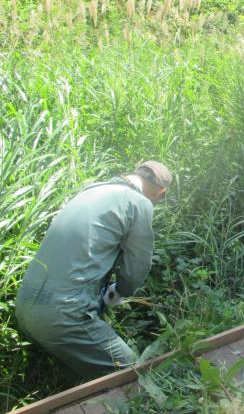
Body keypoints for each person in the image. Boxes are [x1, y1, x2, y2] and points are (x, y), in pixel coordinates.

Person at [15, 160, 172, 377]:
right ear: (160, 191)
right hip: (63, 315)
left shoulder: (93, 189)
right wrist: (121, 291)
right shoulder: (139, 203)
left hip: (24, 306)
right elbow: (138, 266)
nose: (158, 201)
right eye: (161, 197)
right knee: (133, 373)